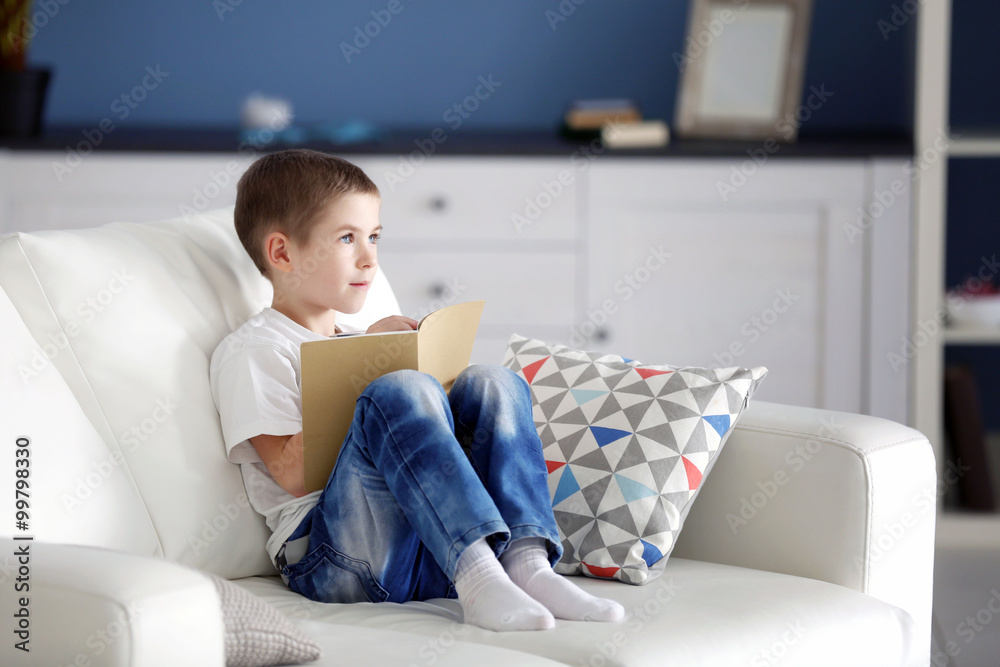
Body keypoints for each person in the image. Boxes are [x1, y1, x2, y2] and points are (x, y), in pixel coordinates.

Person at [210, 149, 624, 632]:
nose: (370, 258)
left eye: (374, 237)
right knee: (401, 389)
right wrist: (370, 374)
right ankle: (477, 577)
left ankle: (525, 563)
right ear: (282, 253)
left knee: (494, 382)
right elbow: (290, 474)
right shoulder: (256, 350)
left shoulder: (356, 334)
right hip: (334, 561)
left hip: (425, 547)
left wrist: (380, 353)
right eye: (347, 238)